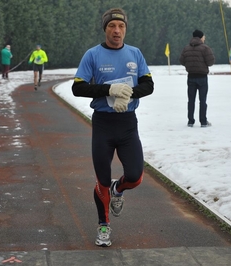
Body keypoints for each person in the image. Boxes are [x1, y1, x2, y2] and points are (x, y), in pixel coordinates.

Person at [71, 7, 154, 247]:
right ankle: (103, 225)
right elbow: (78, 87)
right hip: (103, 124)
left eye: (121, 26)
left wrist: (128, 94)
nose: (117, 31)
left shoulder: (135, 53)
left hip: (128, 123)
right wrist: (109, 89)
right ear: (106, 29)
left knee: (136, 176)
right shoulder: (93, 55)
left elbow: (148, 85)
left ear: (125, 29)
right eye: (112, 26)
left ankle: (119, 190)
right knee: (102, 180)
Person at [180, 29, 215, 127]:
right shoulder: (205, 48)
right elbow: (210, 62)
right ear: (201, 37)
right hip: (202, 77)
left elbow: (182, 60)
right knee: (202, 100)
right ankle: (203, 121)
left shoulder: (186, 48)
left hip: (191, 76)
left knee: (191, 100)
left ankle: (190, 121)